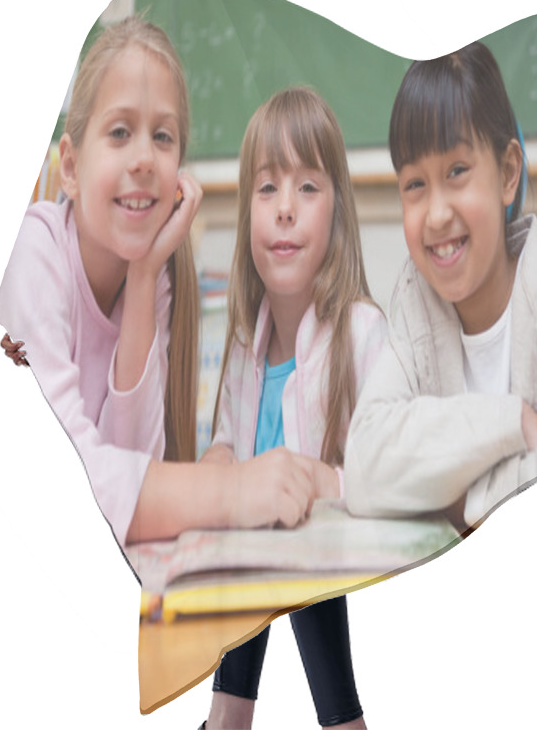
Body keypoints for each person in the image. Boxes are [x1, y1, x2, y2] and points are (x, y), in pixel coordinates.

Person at [0, 17, 318, 554]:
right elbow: (68, 482)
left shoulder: (154, 276)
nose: (144, 158)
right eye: (120, 132)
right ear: (70, 168)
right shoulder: (34, 256)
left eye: (162, 137)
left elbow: (131, 464)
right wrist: (230, 491)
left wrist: (144, 276)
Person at [344, 42, 537, 531]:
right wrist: (513, 421)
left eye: (457, 172)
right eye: (415, 184)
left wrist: (464, 501)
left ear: (506, 174)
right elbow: (362, 470)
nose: (436, 214)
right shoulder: (416, 305)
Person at [200, 87, 386, 729]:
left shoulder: (361, 332)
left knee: (294, 560)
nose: (285, 211)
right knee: (251, 556)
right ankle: (228, 718)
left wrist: (326, 481)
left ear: (338, 211)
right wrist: (221, 461)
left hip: (320, 556)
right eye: (267, 189)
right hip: (252, 558)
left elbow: (399, 468)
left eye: (308, 188)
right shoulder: (244, 340)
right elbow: (225, 438)